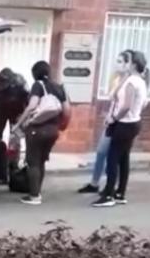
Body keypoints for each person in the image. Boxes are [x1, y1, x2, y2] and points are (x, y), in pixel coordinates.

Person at [93, 50, 149, 207]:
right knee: (124, 159)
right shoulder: (140, 81)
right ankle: (119, 193)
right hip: (133, 122)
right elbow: (142, 104)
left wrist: (113, 119)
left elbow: (125, 106)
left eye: (128, 62)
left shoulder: (132, 82)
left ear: (134, 64)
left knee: (113, 159)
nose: (125, 64)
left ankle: (108, 195)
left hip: (124, 123)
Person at [12, 61, 71, 205]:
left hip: (37, 130)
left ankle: (34, 196)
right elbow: (67, 110)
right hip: (53, 130)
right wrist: (60, 126)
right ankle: (37, 191)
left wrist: (18, 124)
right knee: (42, 161)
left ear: (35, 73)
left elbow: (32, 106)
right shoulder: (59, 87)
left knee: (33, 162)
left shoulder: (38, 85)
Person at [78, 55, 132, 194]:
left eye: (120, 61)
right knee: (101, 152)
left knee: (117, 156)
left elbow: (127, 104)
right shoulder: (116, 79)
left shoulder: (131, 82)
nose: (117, 64)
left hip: (122, 123)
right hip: (111, 121)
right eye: (117, 60)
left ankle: (113, 186)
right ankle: (94, 183)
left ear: (128, 64)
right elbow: (112, 98)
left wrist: (115, 117)